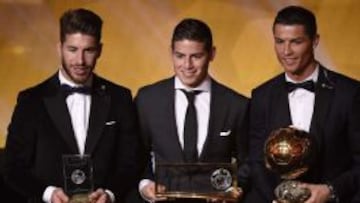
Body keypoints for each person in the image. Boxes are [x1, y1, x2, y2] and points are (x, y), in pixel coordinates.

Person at [4, 8, 141, 203]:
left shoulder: (120, 98)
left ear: (99, 50)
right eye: (72, 50)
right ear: (59, 48)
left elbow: (131, 162)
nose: (80, 61)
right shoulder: (31, 100)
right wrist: (48, 193)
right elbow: (12, 167)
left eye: (89, 50)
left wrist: (110, 193)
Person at [246, 5, 360, 203]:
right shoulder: (261, 96)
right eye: (280, 42)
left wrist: (330, 191)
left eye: (296, 42)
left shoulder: (349, 93)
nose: (286, 51)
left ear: (314, 41)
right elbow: (256, 162)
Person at [135, 18, 250, 203]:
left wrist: (235, 189)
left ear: (212, 54)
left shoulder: (236, 105)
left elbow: (249, 162)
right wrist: (144, 184)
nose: (187, 65)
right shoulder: (147, 99)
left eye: (196, 56)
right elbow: (135, 155)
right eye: (180, 56)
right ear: (171, 53)